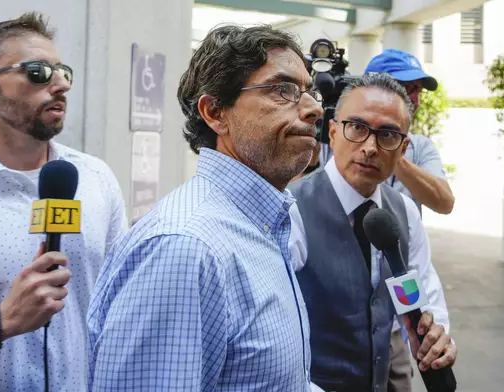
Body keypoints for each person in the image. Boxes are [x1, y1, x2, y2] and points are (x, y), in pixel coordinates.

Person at [87, 24, 324, 391]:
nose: (313, 110)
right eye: (283, 90)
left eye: (310, 92)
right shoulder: (186, 248)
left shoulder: (263, 225)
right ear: (215, 112)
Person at [0, 12, 127, 391]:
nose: (60, 86)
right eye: (38, 72)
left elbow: (117, 308)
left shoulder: (95, 179)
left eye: (63, 72)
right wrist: (2, 319)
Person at [288, 73, 456, 392]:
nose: (370, 147)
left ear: (403, 147)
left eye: (388, 135)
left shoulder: (405, 213)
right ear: (333, 131)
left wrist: (436, 333)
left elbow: (418, 286)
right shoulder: (292, 211)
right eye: (357, 128)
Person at [365, 48, 455, 215]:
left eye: (418, 91)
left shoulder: (420, 146)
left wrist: (392, 150)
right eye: (408, 89)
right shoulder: (340, 137)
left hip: (404, 241)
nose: (416, 101)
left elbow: (445, 203)